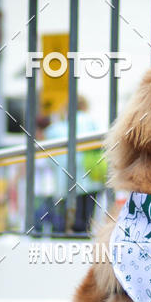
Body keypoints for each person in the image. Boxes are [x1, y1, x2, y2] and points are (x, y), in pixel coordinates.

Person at [45, 96, 107, 234]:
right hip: (90, 175)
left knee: (68, 216)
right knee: (87, 218)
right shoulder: (91, 122)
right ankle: (83, 235)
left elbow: (49, 152)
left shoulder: (59, 127)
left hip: (66, 178)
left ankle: (67, 233)